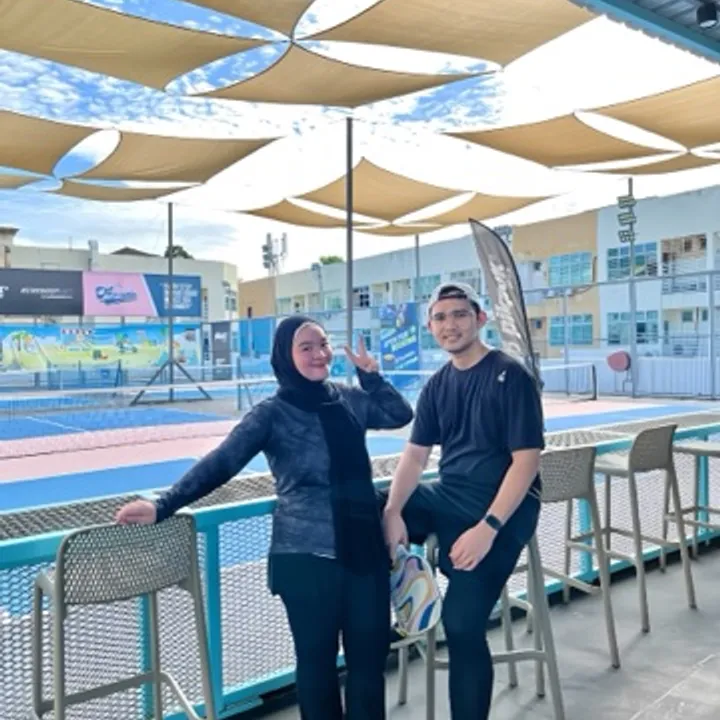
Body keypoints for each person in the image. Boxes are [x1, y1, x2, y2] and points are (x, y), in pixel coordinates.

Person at [115, 315, 414, 720]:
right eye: (306, 347)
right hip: (307, 558)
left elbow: (399, 414)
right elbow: (223, 462)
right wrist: (164, 505)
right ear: (286, 356)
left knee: (368, 663)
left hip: (365, 552)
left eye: (323, 344)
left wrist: (371, 377)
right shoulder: (271, 414)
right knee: (317, 667)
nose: (319, 353)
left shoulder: (350, 400)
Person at [380, 282, 544, 720]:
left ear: (479, 319)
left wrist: (488, 529)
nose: (449, 324)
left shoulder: (510, 377)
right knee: (365, 506)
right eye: (440, 317)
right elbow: (415, 457)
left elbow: (526, 462)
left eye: (459, 314)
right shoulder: (437, 385)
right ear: (430, 326)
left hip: (503, 511)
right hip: (450, 496)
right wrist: (392, 511)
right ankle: (400, 595)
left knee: (462, 625)